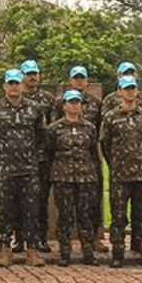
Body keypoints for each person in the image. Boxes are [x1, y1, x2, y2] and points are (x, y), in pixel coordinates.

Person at [0, 69, 47, 267]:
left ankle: (32, 250)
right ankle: (5, 249)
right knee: (5, 210)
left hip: (28, 169)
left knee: (31, 210)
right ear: (4, 86)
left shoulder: (35, 109)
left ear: (22, 85)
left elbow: (41, 136)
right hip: (4, 169)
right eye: (10, 83)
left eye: (16, 83)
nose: (13, 87)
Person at [101, 76, 142, 269]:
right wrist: (116, 163)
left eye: (133, 88)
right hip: (120, 175)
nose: (130, 92)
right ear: (119, 92)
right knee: (118, 216)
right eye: (126, 89)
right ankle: (118, 252)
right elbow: (105, 144)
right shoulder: (110, 117)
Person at [53, 66, 106, 252]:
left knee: (90, 208)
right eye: (75, 78)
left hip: (87, 167)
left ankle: (92, 242)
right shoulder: (58, 112)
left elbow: (99, 136)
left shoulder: (95, 105)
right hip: (64, 171)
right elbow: (51, 143)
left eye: (82, 78)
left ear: (87, 82)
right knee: (65, 213)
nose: (78, 82)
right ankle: (65, 250)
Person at [47, 89, 100, 267]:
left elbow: (94, 153)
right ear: (64, 106)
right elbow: (49, 153)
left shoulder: (90, 127)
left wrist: (94, 175)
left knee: (85, 215)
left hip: (85, 177)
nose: (74, 105)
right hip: (63, 177)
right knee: (65, 216)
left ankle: (88, 251)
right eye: (71, 102)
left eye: (77, 102)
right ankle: (64, 252)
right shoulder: (54, 129)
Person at [20, 59, 55, 253]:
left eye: (35, 73)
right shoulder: (14, 96)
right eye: (29, 73)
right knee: (18, 200)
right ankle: (19, 238)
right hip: (18, 158)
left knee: (41, 200)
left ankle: (41, 237)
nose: (33, 76)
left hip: (42, 157)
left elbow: (54, 126)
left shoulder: (48, 99)